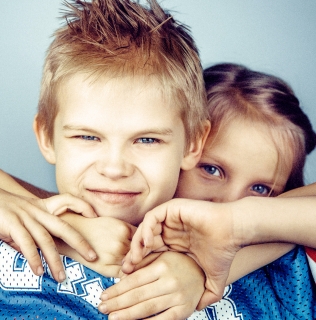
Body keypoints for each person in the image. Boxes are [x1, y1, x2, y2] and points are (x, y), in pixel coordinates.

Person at [0, 0, 211, 318]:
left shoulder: (235, 253)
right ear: (46, 136)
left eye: (147, 139)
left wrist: (205, 265)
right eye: (87, 137)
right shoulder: (7, 231)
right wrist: (67, 229)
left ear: (192, 144)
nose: (114, 168)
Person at [110, 63, 316, 319]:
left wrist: (231, 231)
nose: (229, 202)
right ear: (180, 153)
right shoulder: (116, 215)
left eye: (261, 189)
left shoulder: (288, 270)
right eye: (212, 170)